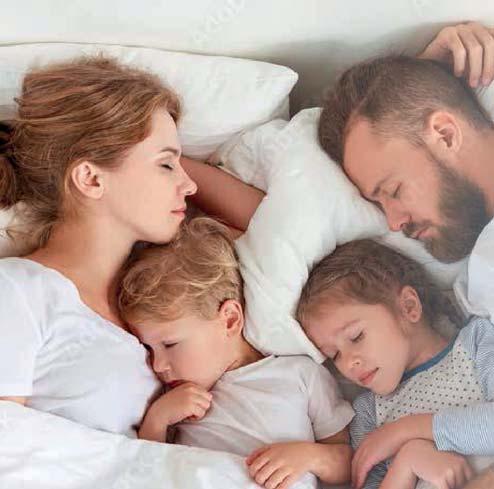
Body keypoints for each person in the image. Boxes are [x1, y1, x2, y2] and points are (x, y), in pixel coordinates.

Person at [0, 56, 197, 436]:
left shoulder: (157, 298)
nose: (191, 185)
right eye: (166, 165)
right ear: (90, 179)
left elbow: (263, 220)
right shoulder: (17, 290)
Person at [116, 216, 355, 489]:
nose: (158, 365)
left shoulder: (299, 374)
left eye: (170, 345)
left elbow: (348, 463)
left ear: (229, 320)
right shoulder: (173, 406)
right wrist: (157, 421)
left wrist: (310, 457)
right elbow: (150, 474)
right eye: (148, 348)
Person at [296, 239, 494, 489]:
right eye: (333, 355)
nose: (348, 363)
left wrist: (404, 431)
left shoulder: (476, 342)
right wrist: (407, 462)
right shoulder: (368, 414)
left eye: (356, 337)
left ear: (408, 307)